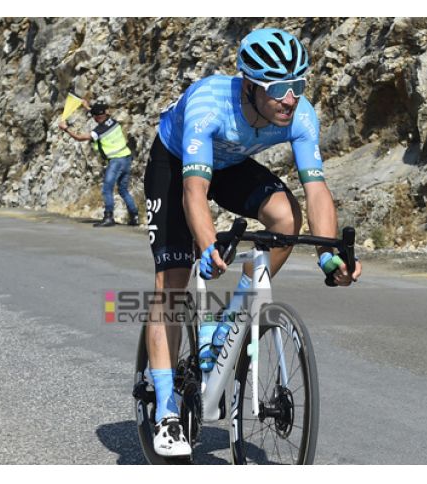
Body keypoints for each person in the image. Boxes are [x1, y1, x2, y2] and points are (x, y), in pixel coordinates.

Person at [142, 28, 363, 457]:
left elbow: (317, 190)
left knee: (286, 218)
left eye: (298, 85)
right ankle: (166, 410)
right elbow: (193, 192)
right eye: (278, 88)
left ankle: (230, 320)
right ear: (249, 85)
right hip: (175, 163)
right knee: (172, 282)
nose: (290, 98)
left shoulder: (300, 115)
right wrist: (208, 244)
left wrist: (329, 254)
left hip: (230, 165)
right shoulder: (209, 104)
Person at [58, 100, 140, 227]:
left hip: (115, 161)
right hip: (127, 158)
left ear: (96, 117)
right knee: (123, 190)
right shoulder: (112, 121)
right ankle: (134, 216)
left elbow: (79, 137)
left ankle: (108, 217)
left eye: (94, 116)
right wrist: (87, 107)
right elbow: (99, 113)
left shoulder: (99, 130)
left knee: (107, 189)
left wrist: (66, 129)